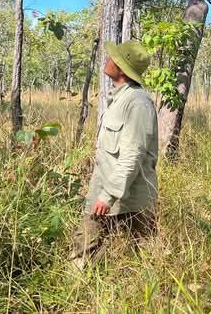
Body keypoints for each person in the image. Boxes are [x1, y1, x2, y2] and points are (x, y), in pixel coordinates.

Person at [69, 40, 159, 267]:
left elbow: (132, 155)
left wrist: (108, 195)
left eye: (113, 58)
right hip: (108, 191)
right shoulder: (119, 98)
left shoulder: (137, 103)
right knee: (86, 246)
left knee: (142, 260)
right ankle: (83, 284)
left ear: (121, 68)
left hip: (130, 200)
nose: (108, 60)